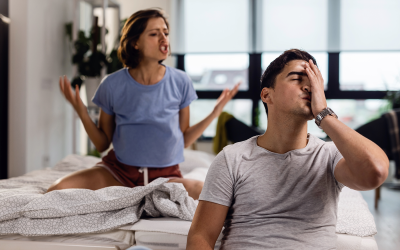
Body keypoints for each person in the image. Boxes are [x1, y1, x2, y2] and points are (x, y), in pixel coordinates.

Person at [186, 49, 389, 249]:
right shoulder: (232, 158)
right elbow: (201, 236)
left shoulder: (329, 155)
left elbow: (376, 171)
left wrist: (324, 115)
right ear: (267, 95)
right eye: (298, 78)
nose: (309, 87)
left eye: (314, 80)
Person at [47, 9, 240, 200]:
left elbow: (184, 139)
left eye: (165, 32)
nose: (163, 38)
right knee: (57, 189)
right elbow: (102, 143)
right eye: (154, 34)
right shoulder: (112, 84)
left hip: (166, 177)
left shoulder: (181, 81)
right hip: (119, 173)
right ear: (135, 43)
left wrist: (216, 111)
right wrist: (80, 109)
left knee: (216, 196)